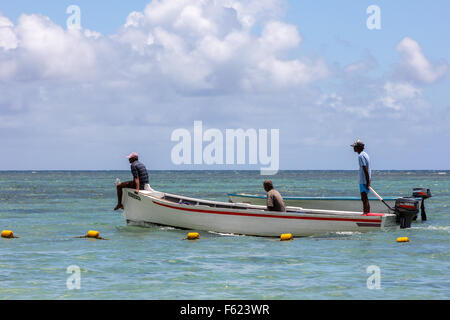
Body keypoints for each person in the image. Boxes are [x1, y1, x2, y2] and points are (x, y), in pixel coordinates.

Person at [351, 139, 371, 214]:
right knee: (365, 198)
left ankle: (366, 214)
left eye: (355, 147)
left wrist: (367, 182)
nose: (354, 148)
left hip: (363, 180)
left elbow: (365, 169)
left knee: (364, 198)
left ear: (359, 147)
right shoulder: (365, 154)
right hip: (366, 179)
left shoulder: (361, 156)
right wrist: (369, 180)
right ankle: (367, 213)